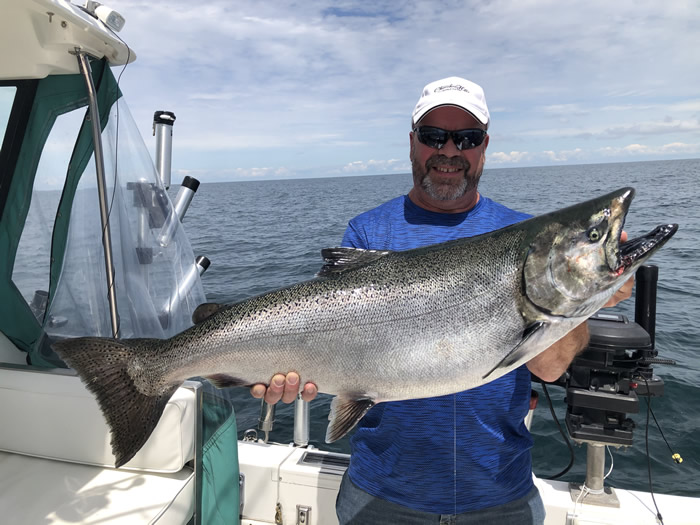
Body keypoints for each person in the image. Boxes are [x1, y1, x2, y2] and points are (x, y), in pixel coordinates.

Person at [251, 76, 633, 524]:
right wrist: (287, 371)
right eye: (433, 136)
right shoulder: (369, 232)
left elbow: (548, 368)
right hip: (380, 496)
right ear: (413, 143)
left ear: (484, 146)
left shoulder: (527, 235)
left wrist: (588, 293)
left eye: (465, 138)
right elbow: (335, 338)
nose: (449, 151)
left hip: (499, 497)